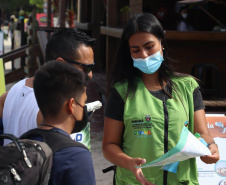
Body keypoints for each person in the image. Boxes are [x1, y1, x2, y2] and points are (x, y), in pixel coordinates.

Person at [102, 13, 219, 185]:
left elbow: (202, 134)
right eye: (135, 50)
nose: (144, 55)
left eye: (149, 46)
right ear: (129, 53)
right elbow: (108, 146)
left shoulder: (188, 87)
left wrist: (211, 148)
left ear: (162, 43)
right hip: (136, 182)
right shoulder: (122, 92)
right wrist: (128, 162)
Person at [1, 28, 96, 145]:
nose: (90, 74)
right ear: (60, 64)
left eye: (92, 67)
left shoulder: (15, 90)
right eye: (86, 68)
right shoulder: (54, 111)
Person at [31, 60, 96, 185]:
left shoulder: (23, 141)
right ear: (71, 105)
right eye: (83, 103)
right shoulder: (76, 155)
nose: (84, 108)